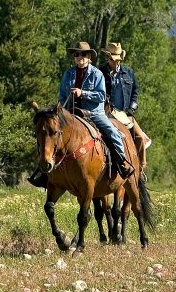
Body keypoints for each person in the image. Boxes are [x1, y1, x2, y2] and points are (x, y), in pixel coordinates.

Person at [29, 41, 134, 188]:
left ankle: (122, 163)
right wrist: (59, 108)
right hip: (71, 113)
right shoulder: (68, 73)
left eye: (83, 54)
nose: (79, 57)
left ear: (89, 56)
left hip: (93, 113)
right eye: (76, 54)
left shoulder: (97, 74)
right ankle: (45, 173)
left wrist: (82, 93)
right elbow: (62, 95)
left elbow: (101, 96)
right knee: (50, 135)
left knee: (113, 132)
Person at [99, 42, 152, 150]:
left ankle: (141, 166)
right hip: (105, 114)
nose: (116, 62)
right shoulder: (99, 72)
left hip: (125, 114)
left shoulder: (128, 72)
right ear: (107, 58)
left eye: (118, 60)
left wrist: (132, 108)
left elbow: (135, 91)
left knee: (141, 138)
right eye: (114, 59)